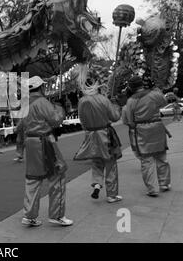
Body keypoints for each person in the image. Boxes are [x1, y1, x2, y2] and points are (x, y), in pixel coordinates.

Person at [20, 76, 73, 227]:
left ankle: (29, 215)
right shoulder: (42, 102)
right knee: (57, 175)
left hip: (30, 143)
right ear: (41, 88)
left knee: (33, 178)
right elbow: (56, 120)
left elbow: (22, 125)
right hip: (45, 142)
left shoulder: (24, 104)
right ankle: (57, 214)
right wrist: (60, 108)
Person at [73, 66, 123, 203]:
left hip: (90, 135)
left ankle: (96, 183)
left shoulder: (81, 102)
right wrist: (115, 106)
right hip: (105, 134)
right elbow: (115, 117)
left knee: (96, 162)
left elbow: (82, 121)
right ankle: (111, 194)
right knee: (110, 164)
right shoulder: (103, 99)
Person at [122, 76, 171, 197]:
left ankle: (152, 189)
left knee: (146, 161)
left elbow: (130, 121)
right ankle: (164, 184)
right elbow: (164, 101)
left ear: (131, 87)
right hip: (157, 128)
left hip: (142, 131)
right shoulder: (153, 94)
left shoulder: (131, 101)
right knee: (162, 158)